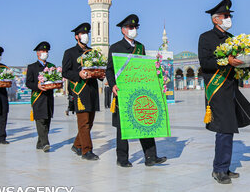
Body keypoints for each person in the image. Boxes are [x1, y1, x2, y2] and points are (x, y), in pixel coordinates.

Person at [198, 0, 250, 184]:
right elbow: (205, 63)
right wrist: (227, 62)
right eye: (225, 16)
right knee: (224, 129)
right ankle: (219, 170)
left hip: (230, 88)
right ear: (215, 20)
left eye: (229, 16)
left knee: (229, 129)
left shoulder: (232, 38)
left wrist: (248, 65)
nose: (228, 19)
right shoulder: (206, 38)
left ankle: (224, 166)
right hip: (216, 90)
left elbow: (237, 65)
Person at [106, 14, 167, 168]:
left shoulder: (140, 47)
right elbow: (109, 70)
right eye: (131, 27)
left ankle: (151, 157)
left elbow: (144, 68)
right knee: (123, 127)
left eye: (135, 27)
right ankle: (122, 158)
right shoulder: (115, 47)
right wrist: (112, 85)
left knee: (144, 122)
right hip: (123, 92)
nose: (133, 30)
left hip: (139, 92)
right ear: (123, 30)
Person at [62, 23, 105, 161]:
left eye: (87, 33)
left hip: (92, 90)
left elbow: (97, 67)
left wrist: (100, 74)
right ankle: (87, 151)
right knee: (83, 121)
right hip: (80, 91)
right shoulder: (70, 52)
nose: (86, 36)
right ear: (76, 37)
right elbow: (65, 72)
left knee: (90, 122)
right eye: (82, 34)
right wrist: (78, 74)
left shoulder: (92, 52)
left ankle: (77, 144)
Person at [26, 41, 55, 152]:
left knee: (47, 120)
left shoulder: (51, 66)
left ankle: (39, 143)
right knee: (40, 120)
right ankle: (45, 143)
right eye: (43, 51)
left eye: (46, 51)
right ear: (38, 53)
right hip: (38, 97)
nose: (45, 53)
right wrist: (37, 86)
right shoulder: (32, 67)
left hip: (48, 97)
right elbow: (28, 83)